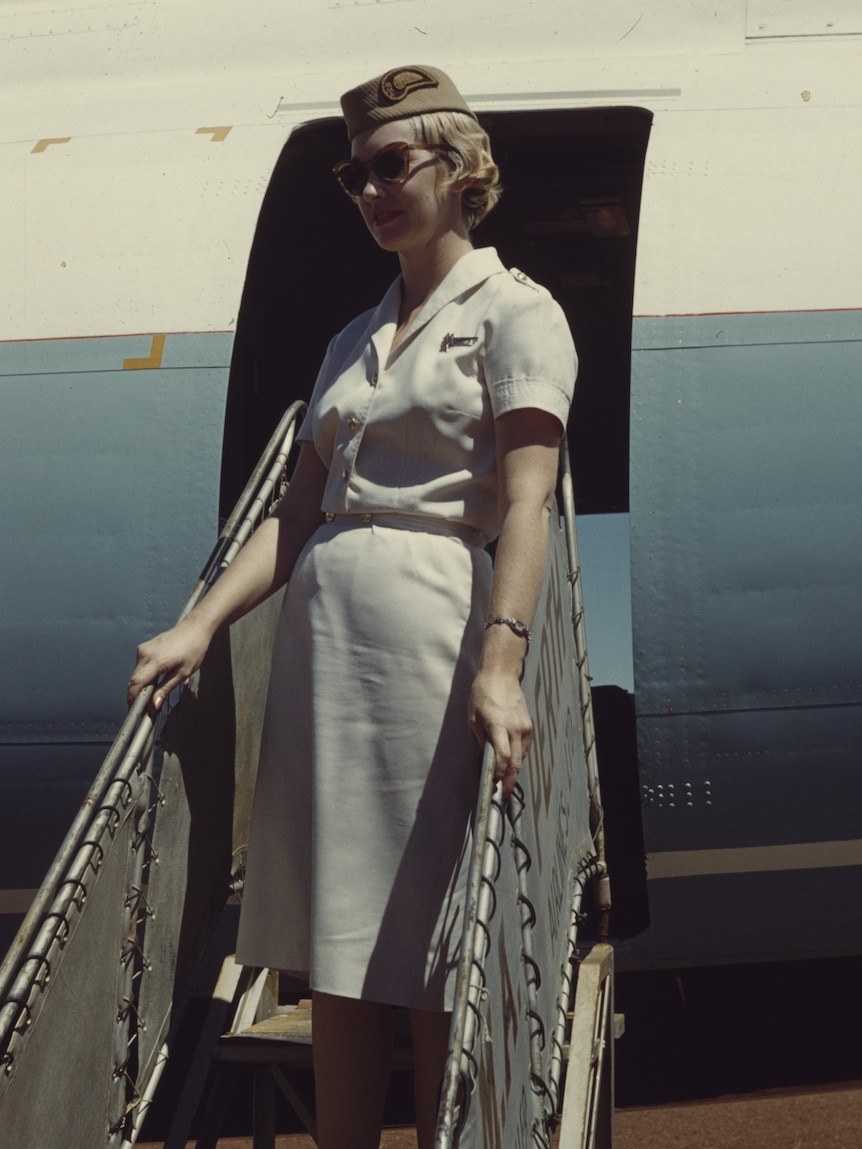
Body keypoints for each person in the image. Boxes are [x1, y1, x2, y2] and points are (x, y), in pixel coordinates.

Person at [128, 64, 576, 1149]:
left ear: (460, 170)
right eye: (354, 173)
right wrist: (201, 624)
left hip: (431, 624)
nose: (371, 189)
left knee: (420, 945)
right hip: (327, 646)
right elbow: (293, 519)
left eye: (390, 165)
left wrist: (502, 662)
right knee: (335, 945)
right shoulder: (352, 337)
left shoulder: (515, 312)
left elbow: (527, 499)